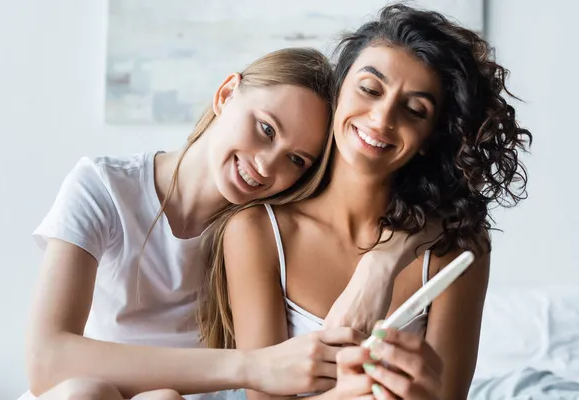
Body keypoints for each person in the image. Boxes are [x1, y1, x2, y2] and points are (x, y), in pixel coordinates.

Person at [207, 4, 532, 400]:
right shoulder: (258, 230)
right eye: (370, 89)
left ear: (431, 137)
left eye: (414, 110)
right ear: (338, 90)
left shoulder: (456, 247)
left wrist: (380, 266)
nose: (381, 120)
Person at [21, 47, 361, 400]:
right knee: (86, 392)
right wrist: (251, 366)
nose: (265, 165)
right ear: (226, 94)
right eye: (266, 129)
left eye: (296, 159)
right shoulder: (104, 186)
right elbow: (46, 362)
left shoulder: (261, 234)